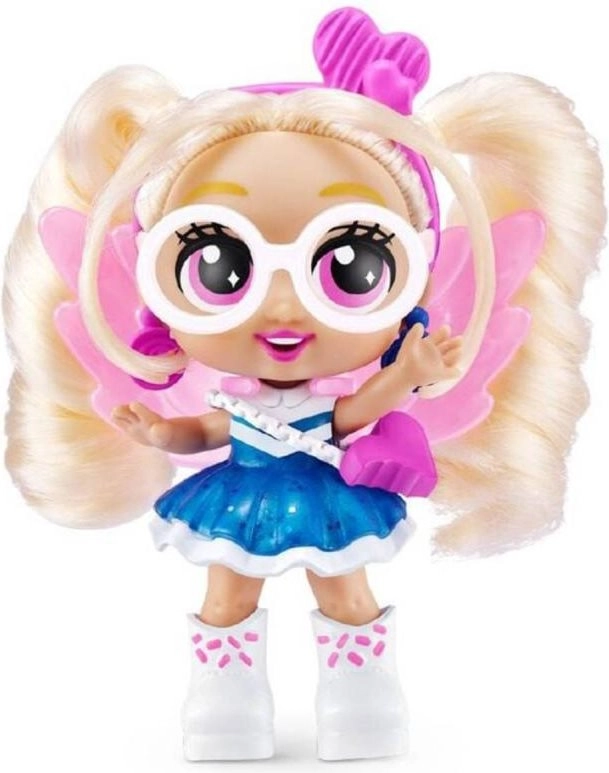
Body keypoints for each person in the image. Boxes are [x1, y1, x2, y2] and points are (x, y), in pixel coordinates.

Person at [3, 6, 604, 763]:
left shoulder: (330, 395)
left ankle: (361, 696)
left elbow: (353, 412)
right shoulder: (233, 401)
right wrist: (161, 431)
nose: (283, 307)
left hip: (327, 497)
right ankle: (225, 699)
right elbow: (210, 432)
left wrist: (407, 374)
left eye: (351, 265)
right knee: (227, 594)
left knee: (345, 592)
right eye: (222, 265)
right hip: (239, 494)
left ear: (414, 277)